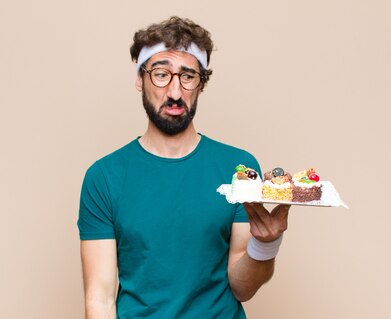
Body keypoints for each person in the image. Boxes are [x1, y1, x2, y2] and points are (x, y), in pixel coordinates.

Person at [78, 16, 290, 318]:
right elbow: (99, 299)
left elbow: (242, 288)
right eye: (161, 74)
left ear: (201, 84)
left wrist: (266, 245)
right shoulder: (104, 177)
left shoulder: (239, 170)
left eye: (188, 76)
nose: (175, 92)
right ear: (140, 79)